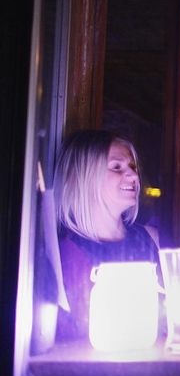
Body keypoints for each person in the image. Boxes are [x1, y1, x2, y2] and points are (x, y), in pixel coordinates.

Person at [54, 129, 160, 341]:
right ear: (85, 177)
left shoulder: (151, 238)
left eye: (132, 167)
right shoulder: (66, 254)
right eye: (116, 167)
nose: (133, 175)